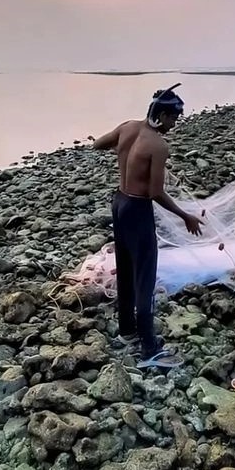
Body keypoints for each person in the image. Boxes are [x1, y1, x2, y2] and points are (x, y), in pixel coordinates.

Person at [92, 83, 204, 368]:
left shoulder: (128, 127)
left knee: (126, 268)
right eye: (174, 118)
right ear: (163, 115)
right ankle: (149, 348)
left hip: (119, 203)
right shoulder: (158, 145)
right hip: (138, 208)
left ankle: (127, 330)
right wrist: (185, 215)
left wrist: (125, 152)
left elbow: (97, 144)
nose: (174, 124)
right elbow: (155, 193)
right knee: (144, 276)